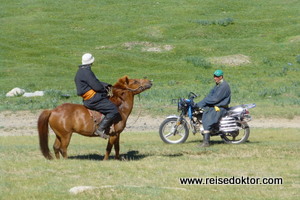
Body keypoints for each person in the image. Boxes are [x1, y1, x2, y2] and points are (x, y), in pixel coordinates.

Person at [74, 53, 120, 139]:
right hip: (93, 99)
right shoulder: (87, 72)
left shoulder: (80, 71)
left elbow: (94, 82)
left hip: (87, 99)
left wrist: (105, 85)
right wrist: (104, 89)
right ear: (91, 62)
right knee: (113, 110)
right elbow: (96, 86)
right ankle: (100, 129)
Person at [195, 69, 231, 147]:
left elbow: (215, 99)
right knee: (203, 111)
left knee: (207, 119)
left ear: (221, 77)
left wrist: (203, 103)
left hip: (220, 108)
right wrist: (201, 103)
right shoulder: (218, 85)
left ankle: (206, 142)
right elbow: (210, 96)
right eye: (214, 76)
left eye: (217, 77)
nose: (215, 78)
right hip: (216, 106)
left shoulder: (224, 86)